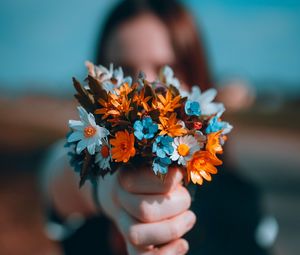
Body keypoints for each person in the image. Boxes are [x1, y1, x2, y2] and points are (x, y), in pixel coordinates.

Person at [43, 0, 269, 254]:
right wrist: (105, 192)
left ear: (196, 76)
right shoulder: (91, 175)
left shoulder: (240, 199)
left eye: (166, 70)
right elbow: (58, 173)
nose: (146, 87)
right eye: (124, 71)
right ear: (99, 83)